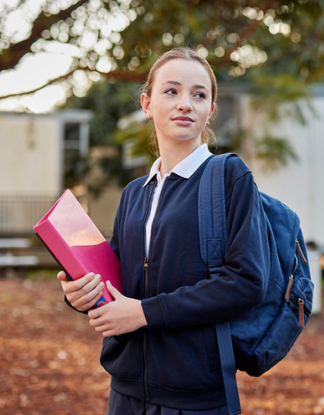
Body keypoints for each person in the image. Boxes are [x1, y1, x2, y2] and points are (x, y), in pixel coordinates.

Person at [56, 47, 269, 415]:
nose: (185, 103)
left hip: (196, 396)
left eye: (199, 95)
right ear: (147, 103)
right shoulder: (134, 193)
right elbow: (119, 283)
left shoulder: (229, 177)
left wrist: (145, 313)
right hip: (125, 390)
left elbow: (246, 282)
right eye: (171, 91)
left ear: (210, 111)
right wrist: (82, 295)